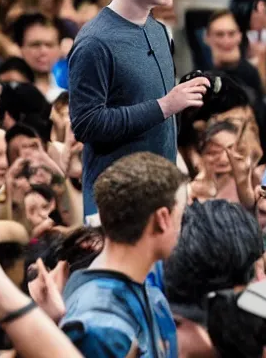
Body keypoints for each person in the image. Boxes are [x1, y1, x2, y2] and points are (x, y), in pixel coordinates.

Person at [68, 0, 209, 221]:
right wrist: (166, 105)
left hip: (161, 196)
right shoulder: (95, 42)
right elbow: (87, 124)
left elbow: (159, 123)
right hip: (117, 207)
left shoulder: (158, 31)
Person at [60, 152, 187, 358]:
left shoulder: (149, 295)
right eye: (181, 214)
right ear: (163, 218)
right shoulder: (100, 326)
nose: (182, 227)